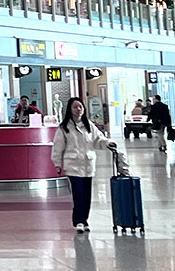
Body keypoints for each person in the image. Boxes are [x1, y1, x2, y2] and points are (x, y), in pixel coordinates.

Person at [51, 97, 124, 233]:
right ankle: (78, 220)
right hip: (72, 165)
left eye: (80, 107)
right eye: (75, 107)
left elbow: (98, 139)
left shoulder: (89, 125)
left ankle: (85, 220)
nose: (78, 109)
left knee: (87, 195)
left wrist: (108, 143)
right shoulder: (64, 127)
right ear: (70, 109)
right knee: (78, 194)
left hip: (88, 165)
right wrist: (57, 163)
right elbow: (58, 147)